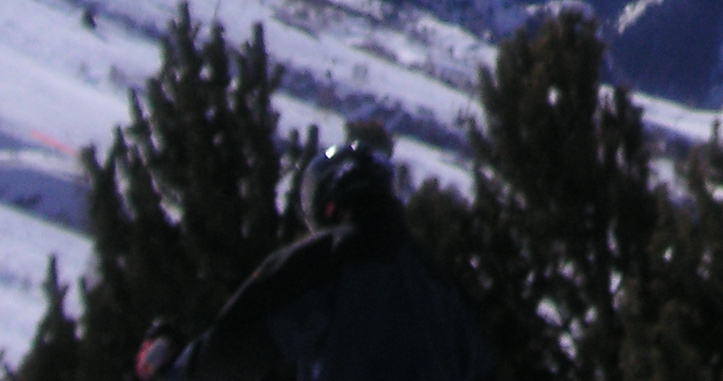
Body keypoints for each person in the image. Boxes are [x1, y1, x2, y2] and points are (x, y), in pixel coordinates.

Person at [135, 141, 489, 381]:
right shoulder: (445, 291)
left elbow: (241, 343)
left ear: (327, 201)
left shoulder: (329, 260)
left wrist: (174, 370)